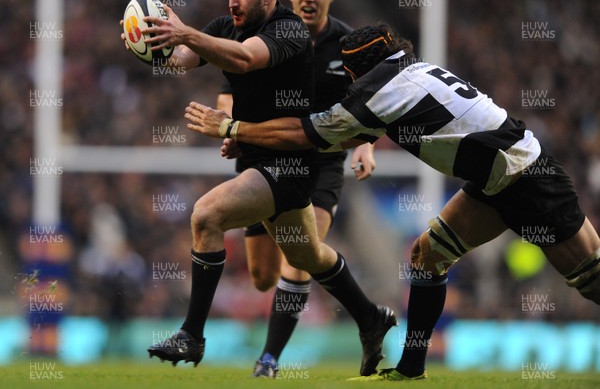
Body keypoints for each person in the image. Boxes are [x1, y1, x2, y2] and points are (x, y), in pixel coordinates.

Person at [185, 23, 600, 380]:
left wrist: (234, 127)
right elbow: (356, 132)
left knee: (590, 276)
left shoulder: (376, 91)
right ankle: (411, 368)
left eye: (348, 70)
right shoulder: (410, 71)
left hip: (526, 176)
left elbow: (305, 134)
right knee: (426, 255)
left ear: (356, 69)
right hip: (495, 176)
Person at [122, 0, 396, 375]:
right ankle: (371, 318)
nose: (233, 1)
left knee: (206, 216)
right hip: (257, 158)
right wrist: (152, 46)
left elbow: (246, 59)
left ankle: (194, 336)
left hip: (293, 163)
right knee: (304, 258)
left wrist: (186, 33)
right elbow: (182, 58)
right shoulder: (224, 26)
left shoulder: (288, 31)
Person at [216, 0, 376, 378]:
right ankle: (370, 315)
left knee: (300, 257)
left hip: (319, 162)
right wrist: (235, 130)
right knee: (262, 276)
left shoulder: (349, 44)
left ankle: (268, 359)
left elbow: (372, 104)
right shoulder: (263, 32)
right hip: (265, 155)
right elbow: (226, 94)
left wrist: (367, 146)